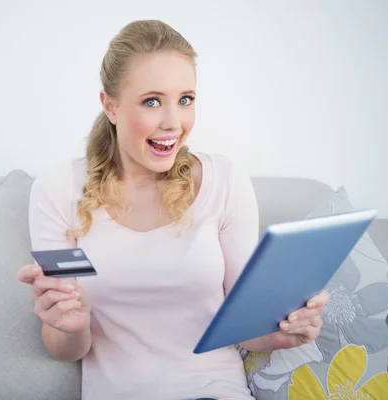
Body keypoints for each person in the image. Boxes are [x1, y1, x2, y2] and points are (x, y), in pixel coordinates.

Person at [17, 19, 330, 400]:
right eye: (152, 101)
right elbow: (67, 347)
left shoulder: (224, 182)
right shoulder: (61, 191)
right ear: (110, 106)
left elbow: (245, 327)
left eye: (185, 99)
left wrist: (281, 333)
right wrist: (71, 325)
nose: (173, 123)